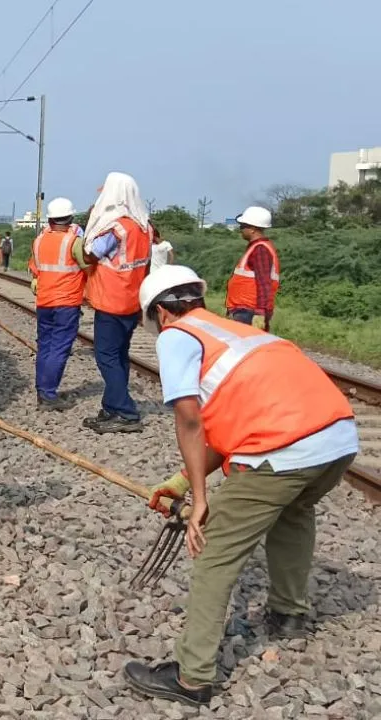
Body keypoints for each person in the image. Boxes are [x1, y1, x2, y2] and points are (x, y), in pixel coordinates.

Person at [123, 265, 358, 707]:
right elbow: (233, 426)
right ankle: (289, 614)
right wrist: (181, 482)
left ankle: (191, 678)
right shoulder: (236, 331)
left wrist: (202, 501)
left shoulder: (177, 336)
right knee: (294, 510)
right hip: (337, 440)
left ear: (160, 313)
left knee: (215, 555)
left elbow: (190, 420)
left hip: (281, 448)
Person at [80, 172, 153, 433]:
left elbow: (91, 256)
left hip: (111, 300)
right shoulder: (145, 227)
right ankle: (112, 406)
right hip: (132, 300)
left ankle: (124, 411)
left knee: (106, 355)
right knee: (119, 355)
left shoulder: (117, 228)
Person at [27, 198, 86, 411]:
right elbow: (87, 266)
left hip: (44, 300)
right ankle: (48, 394)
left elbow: (34, 267)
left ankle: (42, 389)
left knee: (45, 345)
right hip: (67, 302)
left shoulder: (39, 240)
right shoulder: (74, 241)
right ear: (70, 218)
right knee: (60, 347)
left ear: (50, 219)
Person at [225, 206, 278, 329]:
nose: (240, 229)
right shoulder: (257, 247)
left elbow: (264, 282)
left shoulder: (260, 250)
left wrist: (260, 313)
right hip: (244, 309)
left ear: (253, 229)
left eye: (243, 226)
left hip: (248, 310)